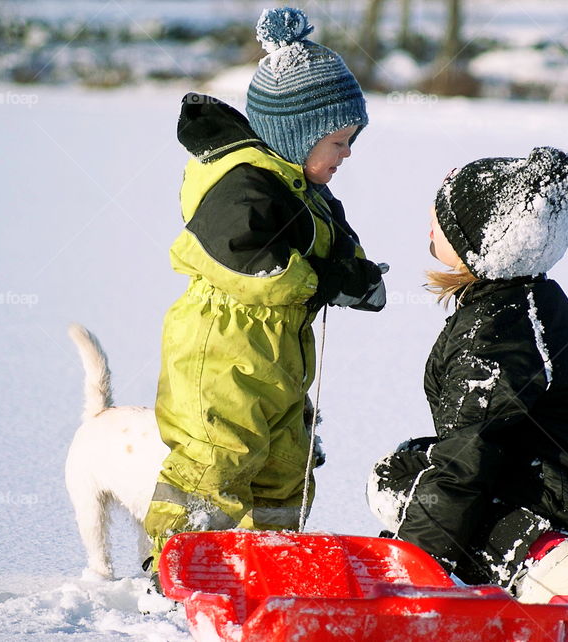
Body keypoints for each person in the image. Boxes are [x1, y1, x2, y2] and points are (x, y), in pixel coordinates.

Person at [143, 7, 386, 581]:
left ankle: (267, 560)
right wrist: (322, 282)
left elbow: (327, 241)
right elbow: (253, 262)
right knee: (215, 459)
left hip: (279, 354)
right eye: (339, 140)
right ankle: (174, 567)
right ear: (296, 134)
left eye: (351, 140)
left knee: (286, 464)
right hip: (222, 347)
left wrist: (355, 275)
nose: (346, 153)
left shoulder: (298, 182)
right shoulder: (240, 182)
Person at [367, 147, 568, 606]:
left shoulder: (490, 333)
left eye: (441, 218)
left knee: (397, 477)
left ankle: (551, 561)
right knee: (425, 461)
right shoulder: (532, 297)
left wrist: (413, 563)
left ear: (478, 243)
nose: (430, 224)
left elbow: (468, 455)